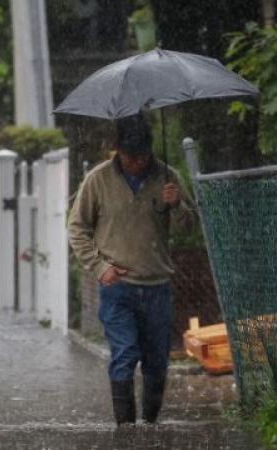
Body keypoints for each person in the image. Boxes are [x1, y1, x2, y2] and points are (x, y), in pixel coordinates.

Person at [68, 113, 196, 426]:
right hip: (118, 288)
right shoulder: (98, 180)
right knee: (124, 355)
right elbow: (77, 227)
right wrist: (99, 267)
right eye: (130, 156)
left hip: (157, 286)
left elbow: (189, 226)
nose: (138, 163)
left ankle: (150, 423)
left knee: (156, 363)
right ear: (117, 151)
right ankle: (125, 430)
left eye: (143, 156)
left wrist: (176, 204)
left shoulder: (168, 177)